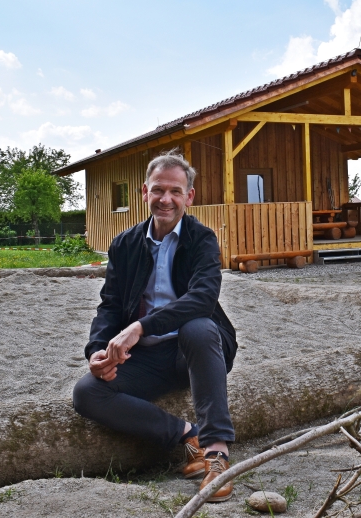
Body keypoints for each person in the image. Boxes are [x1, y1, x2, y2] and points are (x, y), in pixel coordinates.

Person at [72, 150, 237, 502]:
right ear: (144, 193)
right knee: (87, 392)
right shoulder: (124, 244)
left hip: (194, 353)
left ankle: (217, 452)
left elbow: (202, 300)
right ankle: (186, 435)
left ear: (189, 196)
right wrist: (97, 349)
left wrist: (139, 328)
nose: (166, 199)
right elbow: (111, 304)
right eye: (158, 190)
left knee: (198, 326)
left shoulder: (202, 239)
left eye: (176, 191)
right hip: (147, 359)